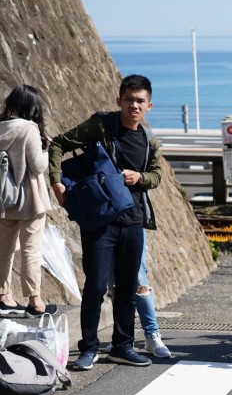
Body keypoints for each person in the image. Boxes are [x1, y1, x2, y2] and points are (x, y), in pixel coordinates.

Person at [48, 74, 162, 370]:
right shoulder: (101, 126)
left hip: (134, 221)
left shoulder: (150, 141)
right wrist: (56, 184)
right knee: (96, 286)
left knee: (128, 287)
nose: (133, 106)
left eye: (139, 101)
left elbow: (156, 176)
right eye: (128, 100)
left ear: (149, 105)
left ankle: (123, 346)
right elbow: (58, 144)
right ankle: (88, 348)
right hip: (100, 221)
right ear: (118, 101)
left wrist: (141, 178)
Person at [0, 85, 57, 318]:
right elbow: (38, 166)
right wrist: (47, 148)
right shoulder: (29, 129)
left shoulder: (1, 127)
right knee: (31, 250)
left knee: (3, 250)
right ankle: (35, 301)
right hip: (30, 199)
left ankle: (3, 296)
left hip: (4, 199)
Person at [106, 232, 171, 358]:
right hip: (104, 223)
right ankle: (123, 337)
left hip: (132, 221)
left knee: (139, 281)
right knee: (114, 285)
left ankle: (152, 335)